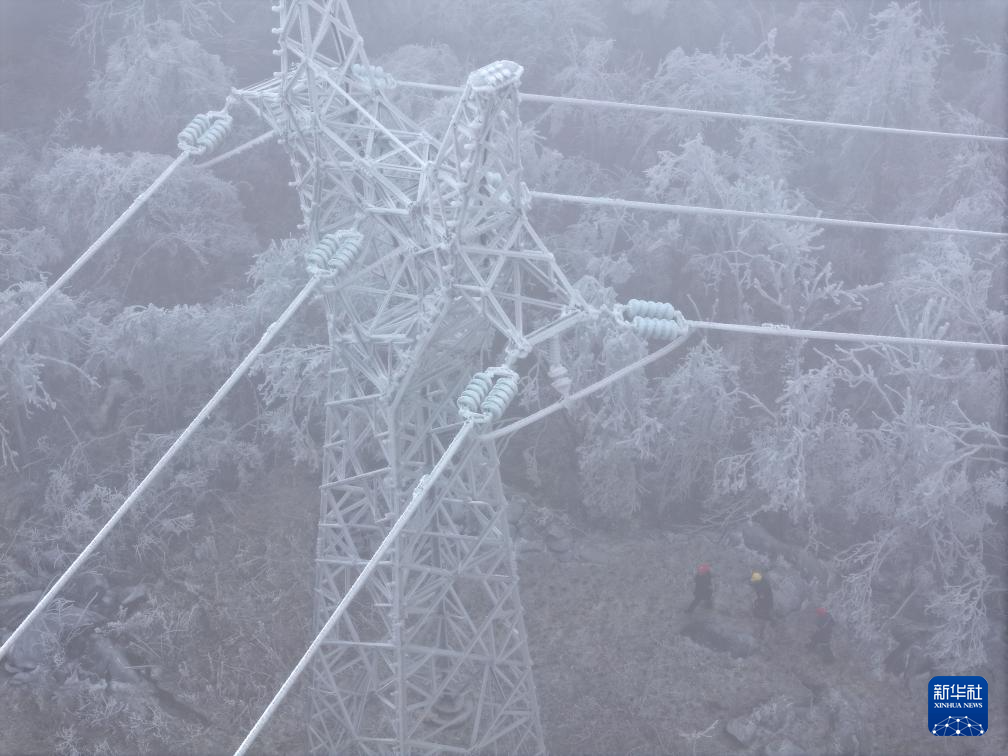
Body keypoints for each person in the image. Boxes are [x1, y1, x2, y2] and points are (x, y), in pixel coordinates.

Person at [750, 571, 773, 637]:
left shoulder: (762, 587)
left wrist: (757, 602)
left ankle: (762, 632)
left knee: (761, 615)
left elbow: (762, 597)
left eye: (754, 581)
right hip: (768, 602)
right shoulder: (763, 582)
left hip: (766, 603)